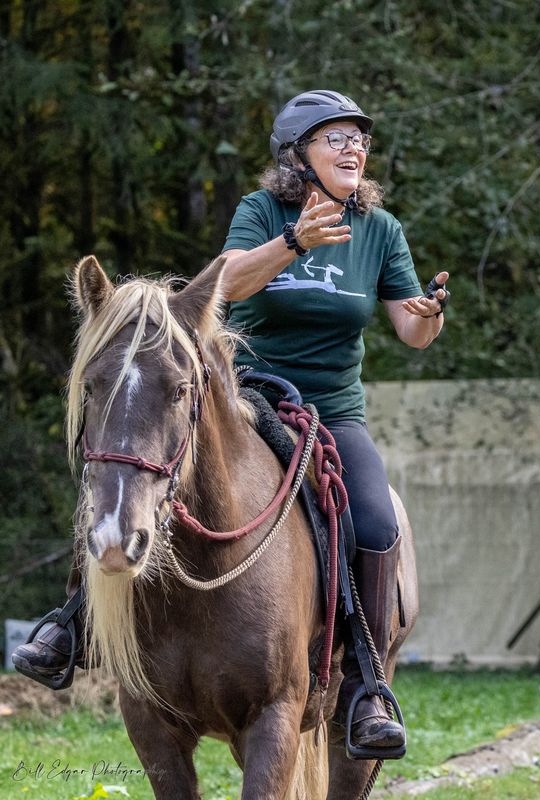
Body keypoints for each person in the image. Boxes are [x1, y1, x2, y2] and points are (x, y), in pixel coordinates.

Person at [15, 89, 446, 758]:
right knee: (133, 465)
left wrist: (429, 313)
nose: (354, 147)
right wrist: (293, 239)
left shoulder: (379, 230)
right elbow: (228, 283)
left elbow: (410, 329)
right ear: (297, 153)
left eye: (359, 137)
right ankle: (72, 625)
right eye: (336, 137)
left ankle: (365, 685)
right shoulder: (261, 211)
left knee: (378, 521)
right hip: (248, 401)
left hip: (333, 411)